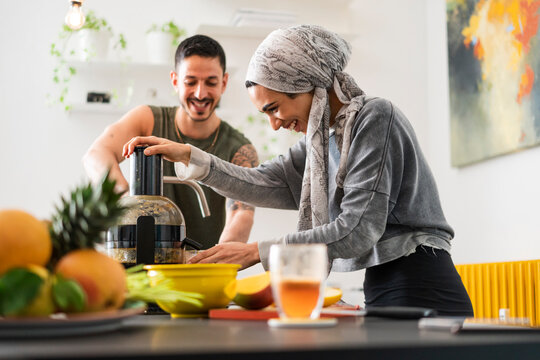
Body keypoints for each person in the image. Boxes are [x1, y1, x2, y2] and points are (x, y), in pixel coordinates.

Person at [123, 25, 474, 316]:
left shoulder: (374, 118)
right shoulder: (323, 142)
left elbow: (359, 228)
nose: (274, 125)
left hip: (423, 280)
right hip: (382, 281)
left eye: (274, 108)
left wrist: (256, 251)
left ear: (305, 84)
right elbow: (262, 182)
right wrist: (189, 156)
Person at [83, 35, 258, 249]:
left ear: (223, 83)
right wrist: (128, 199)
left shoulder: (239, 149)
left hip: (200, 267)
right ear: (175, 81)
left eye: (211, 82)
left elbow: (241, 215)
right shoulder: (147, 120)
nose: (200, 93)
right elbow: (96, 154)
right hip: (142, 264)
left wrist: (217, 261)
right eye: (190, 82)